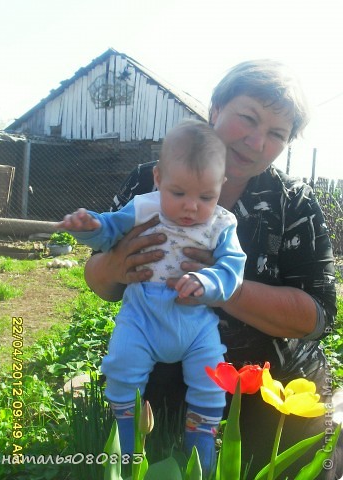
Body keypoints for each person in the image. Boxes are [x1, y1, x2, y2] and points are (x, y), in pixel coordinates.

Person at [83, 59, 343, 479]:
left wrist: (224, 285)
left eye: (277, 134)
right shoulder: (150, 183)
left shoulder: (293, 202)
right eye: (248, 118)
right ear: (216, 108)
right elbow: (99, 282)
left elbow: (318, 316)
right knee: (156, 464)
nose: (257, 141)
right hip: (167, 363)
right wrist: (114, 264)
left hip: (272, 382)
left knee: (298, 469)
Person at [57, 120, 246, 473]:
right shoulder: (144, 207)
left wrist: (207, 282)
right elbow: (111, 230)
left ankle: (199, 453)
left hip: (196, 326)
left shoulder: (222, 224)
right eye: (178, 193)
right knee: (122, 367)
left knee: (211, 381)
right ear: (158, 179)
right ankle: (125, 443)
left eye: (205, 196)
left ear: (221, 186)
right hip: (142, 316)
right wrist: (92, 227)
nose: (191, 207)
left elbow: (233, 269)